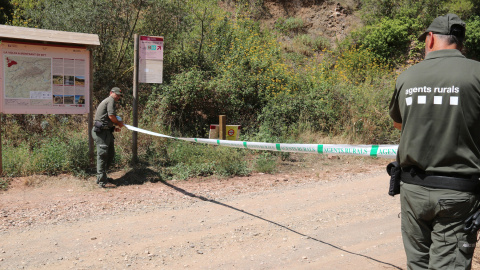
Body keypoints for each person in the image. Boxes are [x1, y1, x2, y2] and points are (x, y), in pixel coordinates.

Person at [389, 13, 480, 269]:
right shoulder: (477, 73)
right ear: (461, 42)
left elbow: (399, 123)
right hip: (458, 193)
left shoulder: (407, 76)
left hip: (412, 190)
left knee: (417, 264)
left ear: (430, 39)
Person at [92, 87, 125, 188]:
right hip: (101, 133)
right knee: (102, 156)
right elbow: (111, 116)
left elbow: (107, 119)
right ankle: (102, 182)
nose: (118, 96)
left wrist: (113, 128)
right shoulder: (110, 100)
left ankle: (103, 177)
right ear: (111, 93)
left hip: (107, 132)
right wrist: (119, 123)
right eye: (117, 94)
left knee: (110, 154)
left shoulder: (111, 101)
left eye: (119, 95)